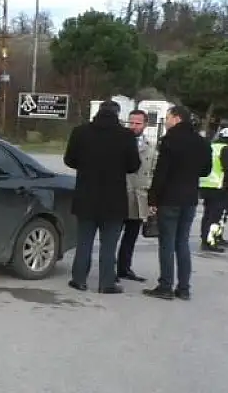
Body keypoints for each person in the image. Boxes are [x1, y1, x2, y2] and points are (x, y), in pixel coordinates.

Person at [64, 100, 141, 294]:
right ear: (117, 114)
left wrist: (85, 165)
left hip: (86, 195)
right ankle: (106, 282)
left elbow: (69, 160)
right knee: (109, 244)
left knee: (84, 241)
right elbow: (134, 166)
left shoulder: (80, 132)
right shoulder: (126, 136)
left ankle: (79, 279)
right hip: (114, 198)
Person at [144, 105, 212, 301]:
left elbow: (161, 172)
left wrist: (153, 198)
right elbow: (206, 171)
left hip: (169, 198)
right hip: (190, 198)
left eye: (168, 118)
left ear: (177, 118)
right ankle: (183, 288)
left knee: (167, 242)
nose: (166, 121)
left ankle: (165, 285)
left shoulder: (170, 141)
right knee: (182, 242)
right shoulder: (202, 142)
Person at [116, 110, 157, 283]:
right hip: (120, 194)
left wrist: (153, 200)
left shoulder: (151, 146)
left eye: (138, 123)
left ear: (145, 124)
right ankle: (108, 269)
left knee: (131, 235)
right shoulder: (119, 142)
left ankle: (124, 267)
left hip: (140, 196)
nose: (133, 126)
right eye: (131, 122)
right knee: (113, 234)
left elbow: (154, 172)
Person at [198, 127, 228, 252]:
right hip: (219, 186)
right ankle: (210, 242)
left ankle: (209, 238)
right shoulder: (225, 149)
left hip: (206, 185)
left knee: (208, 214)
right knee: (215, 216)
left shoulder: (212, 146)